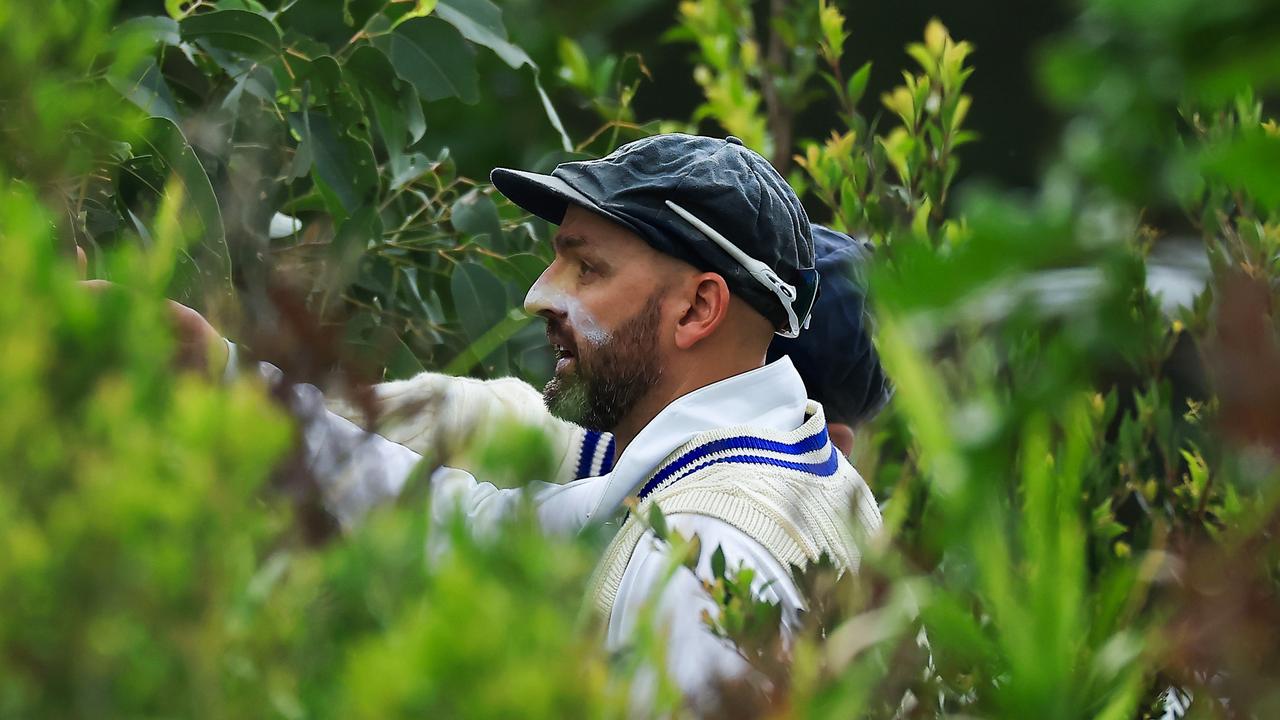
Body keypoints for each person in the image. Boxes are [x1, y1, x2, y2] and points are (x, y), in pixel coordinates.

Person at [179, 134, 885, 704]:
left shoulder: (708, 555)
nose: (536, 297)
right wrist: (217, 375)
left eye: (588, 270)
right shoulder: (777, 471)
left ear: (698, 309)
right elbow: (461, 522)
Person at [325, 224, 893, 483]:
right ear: (834, 447)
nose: (541, 298)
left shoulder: (473, 425)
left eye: (588, 270)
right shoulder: (821, 593)